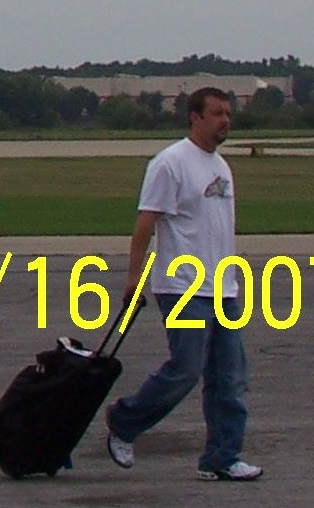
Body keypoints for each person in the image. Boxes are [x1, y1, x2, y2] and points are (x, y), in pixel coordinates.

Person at [103, 89, 261, 482]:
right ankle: (124, 421)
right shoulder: (170, 163)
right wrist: (133, 277)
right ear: (195, 117)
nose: (225, 120)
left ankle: (222, 457)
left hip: (222, 289)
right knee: (186, 369)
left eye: (228, 113)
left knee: (229, 377)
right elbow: (145, 223)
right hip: (183, 287)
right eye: (217, 113)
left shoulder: (221, 168)